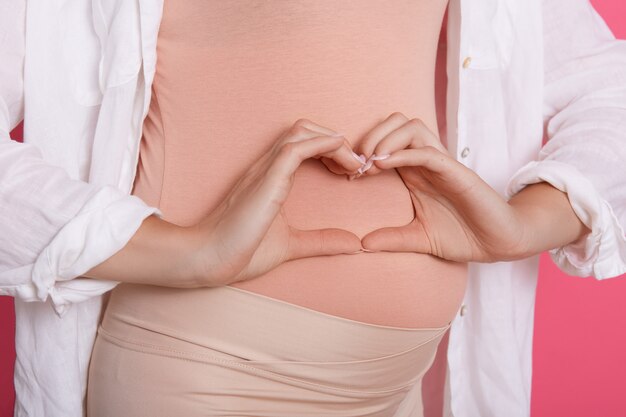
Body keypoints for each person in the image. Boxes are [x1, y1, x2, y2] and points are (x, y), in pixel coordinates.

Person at [0, 0, 624, 416]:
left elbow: (606, 83)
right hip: (209, 379)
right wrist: (187, 251)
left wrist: (524, 226)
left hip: (403, 386)